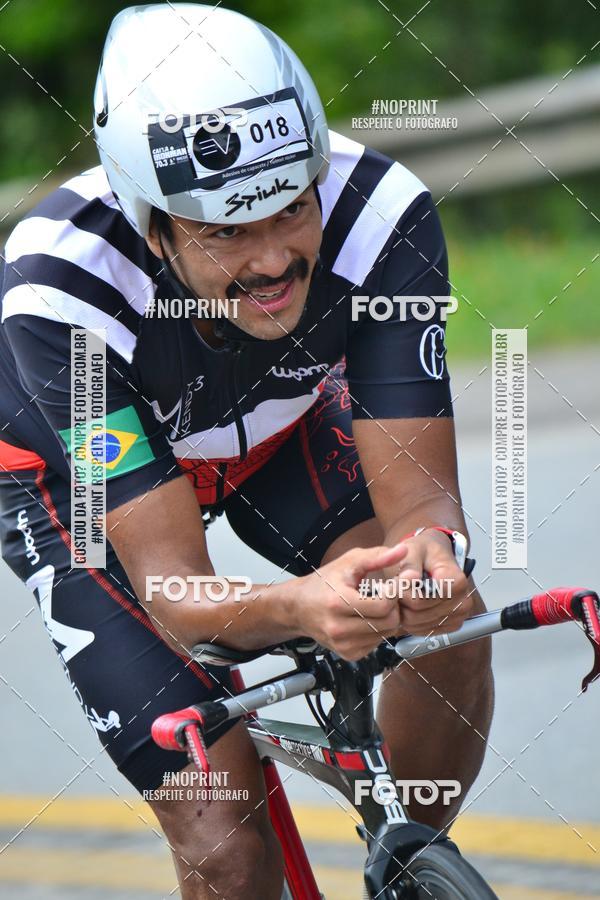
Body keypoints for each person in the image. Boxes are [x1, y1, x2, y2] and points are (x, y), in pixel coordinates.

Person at [0, 4, 494, 898]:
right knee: (227, 846)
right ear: (149, 224)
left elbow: (424, 503)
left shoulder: (379, 212)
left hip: (274, 425)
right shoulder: (59, 293)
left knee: (444, 630)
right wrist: (303, 606)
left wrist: (436, 559)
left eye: (292, 208)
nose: (275, 261)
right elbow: (178, 594)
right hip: (75, 488)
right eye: (226, 231)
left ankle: (411, 867)